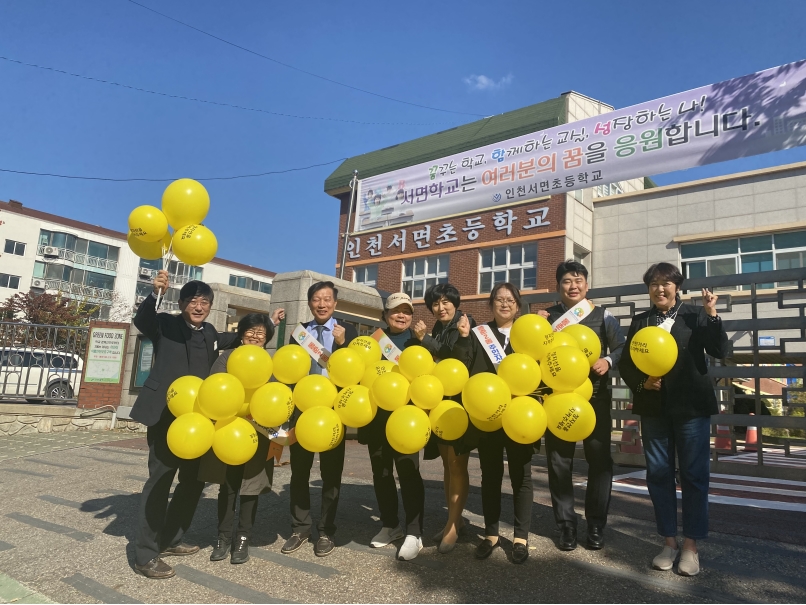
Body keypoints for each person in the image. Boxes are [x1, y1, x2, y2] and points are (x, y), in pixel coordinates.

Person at [619, 263, 727, 577]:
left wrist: (712, 315)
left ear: (676, 287)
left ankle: (691, 546)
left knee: (694, 477)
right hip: (654, 409)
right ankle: (668, 541)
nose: (660, 289)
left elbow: (719, 349)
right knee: (658, 474)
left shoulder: (695, 315)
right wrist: (643, 383)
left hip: (691, 408)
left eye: (666, 283)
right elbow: (627, 364)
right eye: (653, 283)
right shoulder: (641, 321)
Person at [130, 270, 238, 579]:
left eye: (205, 301)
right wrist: (154, 293)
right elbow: (142, 320)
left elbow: (237, 337)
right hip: (166, 416)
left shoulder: (210, 333)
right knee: (160, 481)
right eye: (192, 300)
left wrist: (268, 323)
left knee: (194, 481)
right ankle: (145, 555)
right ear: (181, 303)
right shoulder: (165, 324)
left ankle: (171, 538)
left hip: (199, 422)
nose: (199, 306)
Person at [537, 260, 625, 552]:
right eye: (566, 281)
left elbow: (622, 347)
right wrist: (538, 325)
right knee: (559, 463)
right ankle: (566, 526)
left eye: (578, 280)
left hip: (595, 398)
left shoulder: (603, 315)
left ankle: (596, 526)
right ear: (559, 286)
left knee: (599, 462)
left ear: (587, 285)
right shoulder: (547, 316)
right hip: (558, 400)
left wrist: (608, 360)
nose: (573, 286)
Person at [453, 283, 534, 564]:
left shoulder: (528, 333)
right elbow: (463, 366)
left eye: (510, 300)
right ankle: (491, 533)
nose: (504, 304)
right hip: (488, 417)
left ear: (518, 305)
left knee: (521, 476)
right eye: (499, 300)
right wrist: (463, 338)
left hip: (521, 415)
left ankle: (521, 536)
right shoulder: (479, 334)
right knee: (490, 476)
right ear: (491, 305)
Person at [199, 310, 284, 565]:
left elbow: (277, 398)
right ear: (241, 333)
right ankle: (223, 537)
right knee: (228, 486)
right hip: (229, 432)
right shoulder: (227, 357)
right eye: (251, 331)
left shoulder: (270, 362)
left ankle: (243, 539)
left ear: (267, 337)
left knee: (250, 489)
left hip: (259, 433)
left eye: (261, 333)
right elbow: (214, 388)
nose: (256, 336)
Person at [281, 281, 357, 557]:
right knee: (299, 471)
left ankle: (326, 530)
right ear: (310, 303)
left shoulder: (349, 331)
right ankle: (299, 527)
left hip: (334, 411)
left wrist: (342, 344)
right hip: (303, 409)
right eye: (316, 299)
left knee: (331, 474)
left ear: (335, 303)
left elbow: (355, 370)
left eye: (327, 299)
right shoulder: (300, 333)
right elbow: (288, 369)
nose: (322, 304)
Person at [357, 292, 425, 561]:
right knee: (381, 473)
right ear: (385, 314)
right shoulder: (372, 341)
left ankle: (414, 532)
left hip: (407, 419)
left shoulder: (416, 341)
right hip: (376, 419)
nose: (402, 315)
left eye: (407, 311)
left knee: (409, 473)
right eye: (396, 310)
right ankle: (390, 525)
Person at [413, 282, 476, 554]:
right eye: (435, 304)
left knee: (457, 464)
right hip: (440, 403)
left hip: (458, 405)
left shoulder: (465, 323)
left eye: (445, 302)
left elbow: (456, 358)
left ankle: (452, 525)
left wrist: (425, 339)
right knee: (447, 466)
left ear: (455, 302)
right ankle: (455, 519)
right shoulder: (439, 327)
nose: (440, 308)